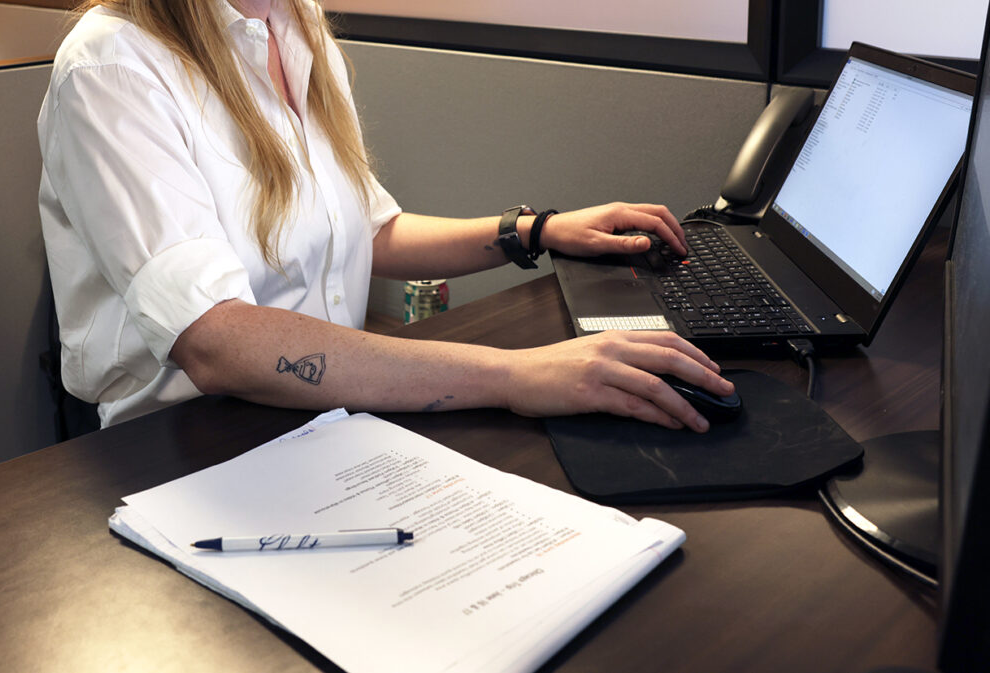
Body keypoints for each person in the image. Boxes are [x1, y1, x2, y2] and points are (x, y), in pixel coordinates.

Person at [38, 0, 735, 433]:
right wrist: (518, 377)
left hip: (329, 417)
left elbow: (369, 229)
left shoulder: (295, 22)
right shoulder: (112, 67)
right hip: (189, 446)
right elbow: (215, 340)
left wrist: (533, 231)